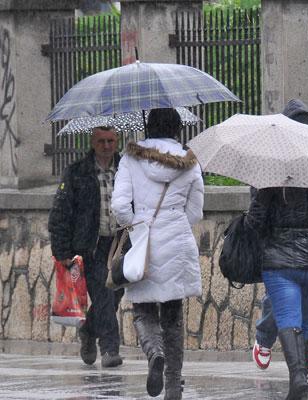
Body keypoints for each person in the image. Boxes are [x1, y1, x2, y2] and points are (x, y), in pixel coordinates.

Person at [245, 99, 308, 400]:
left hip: (280, 262)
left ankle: (298, 378)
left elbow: (257, 221)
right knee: (307, 320)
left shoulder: (270, 178)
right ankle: (302, 371)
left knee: (288, 318)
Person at [111, 108, 204, 399]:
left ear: (148, 127)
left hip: (144, 242)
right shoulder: (190, 163)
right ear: (177, 129)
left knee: (142, 309)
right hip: (176, 240)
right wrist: (174, 224)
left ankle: (154, 353)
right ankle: (174, 384)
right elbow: (195, 211)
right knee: (173, 315)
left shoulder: (130, 158)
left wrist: (138, 228)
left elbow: (120, 206)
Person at [48, 126, 125, 369]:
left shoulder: (127, 170)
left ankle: (89, 331)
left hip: (121, 243)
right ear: (92, 142)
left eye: (111, 140)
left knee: (115, 294)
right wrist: (62, 253)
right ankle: (110, 349)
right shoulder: (76, 173)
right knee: (103, 294)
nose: (106, 145)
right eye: (101, 141)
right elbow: (60, 214)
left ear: (117, 141)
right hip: (90, 247)